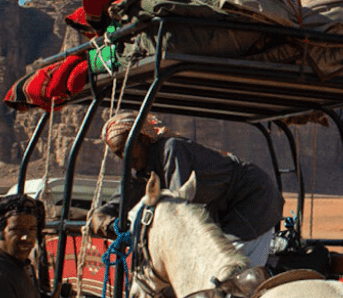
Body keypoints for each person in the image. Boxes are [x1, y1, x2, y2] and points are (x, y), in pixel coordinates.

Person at [87, 111, 284, 268]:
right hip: (223, 210)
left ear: (144, 139)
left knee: (224, 272)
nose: (124, 157)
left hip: (253, 198)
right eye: (118, 153)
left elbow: (178, 209)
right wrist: (107, 222)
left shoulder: (172, 150)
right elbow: (113, 206)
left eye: (126, 148)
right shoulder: (140, 171)